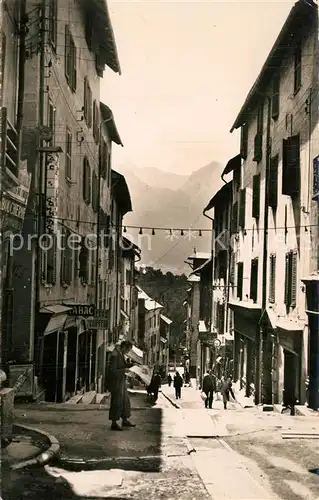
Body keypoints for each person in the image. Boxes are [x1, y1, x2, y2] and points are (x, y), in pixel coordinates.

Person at [108, 340, 136, 430]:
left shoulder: (120, 353)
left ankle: (124, 420)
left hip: (121, 381)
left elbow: (122, 365)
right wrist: (125, 371)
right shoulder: (115, 355)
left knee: (125, 401)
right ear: (124, 347)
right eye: (127, 350)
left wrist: (131, 365)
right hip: (116, 382)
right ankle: (114, 423)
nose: (127, 352)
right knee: (116, 401)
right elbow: (113, 370)